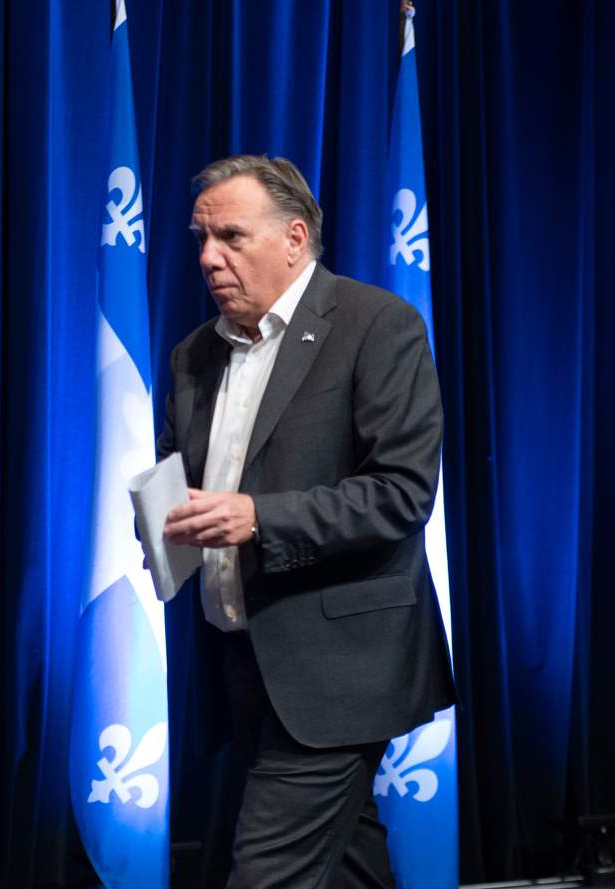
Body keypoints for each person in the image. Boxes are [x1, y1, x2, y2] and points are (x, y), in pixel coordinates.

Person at [159, 155, 455, 889]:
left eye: (231, 236)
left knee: (269, 874)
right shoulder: (194, 355)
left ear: (294, 238)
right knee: (348, 864)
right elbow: (183, 482)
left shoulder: (375, 325)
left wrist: (258, 517)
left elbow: (401, 492)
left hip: (340, 667)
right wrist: (167, 530)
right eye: (201, 238)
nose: (208, 257)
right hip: (241, 661)